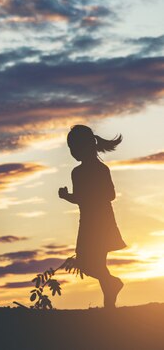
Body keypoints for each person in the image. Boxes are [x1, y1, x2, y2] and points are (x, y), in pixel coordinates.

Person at [58, 125, 126, 308]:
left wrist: (88, 195)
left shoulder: (101, 169)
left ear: (88, 146)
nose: (73, 152)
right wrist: (67, 196)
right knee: (90, 264)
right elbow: (80, 199)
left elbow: (110, 195)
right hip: (87, 223)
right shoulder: (77, 172)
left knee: (92, 263)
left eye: (75, 147)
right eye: (70, 148)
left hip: (102, 222)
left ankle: (110, 303)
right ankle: (112, 289)